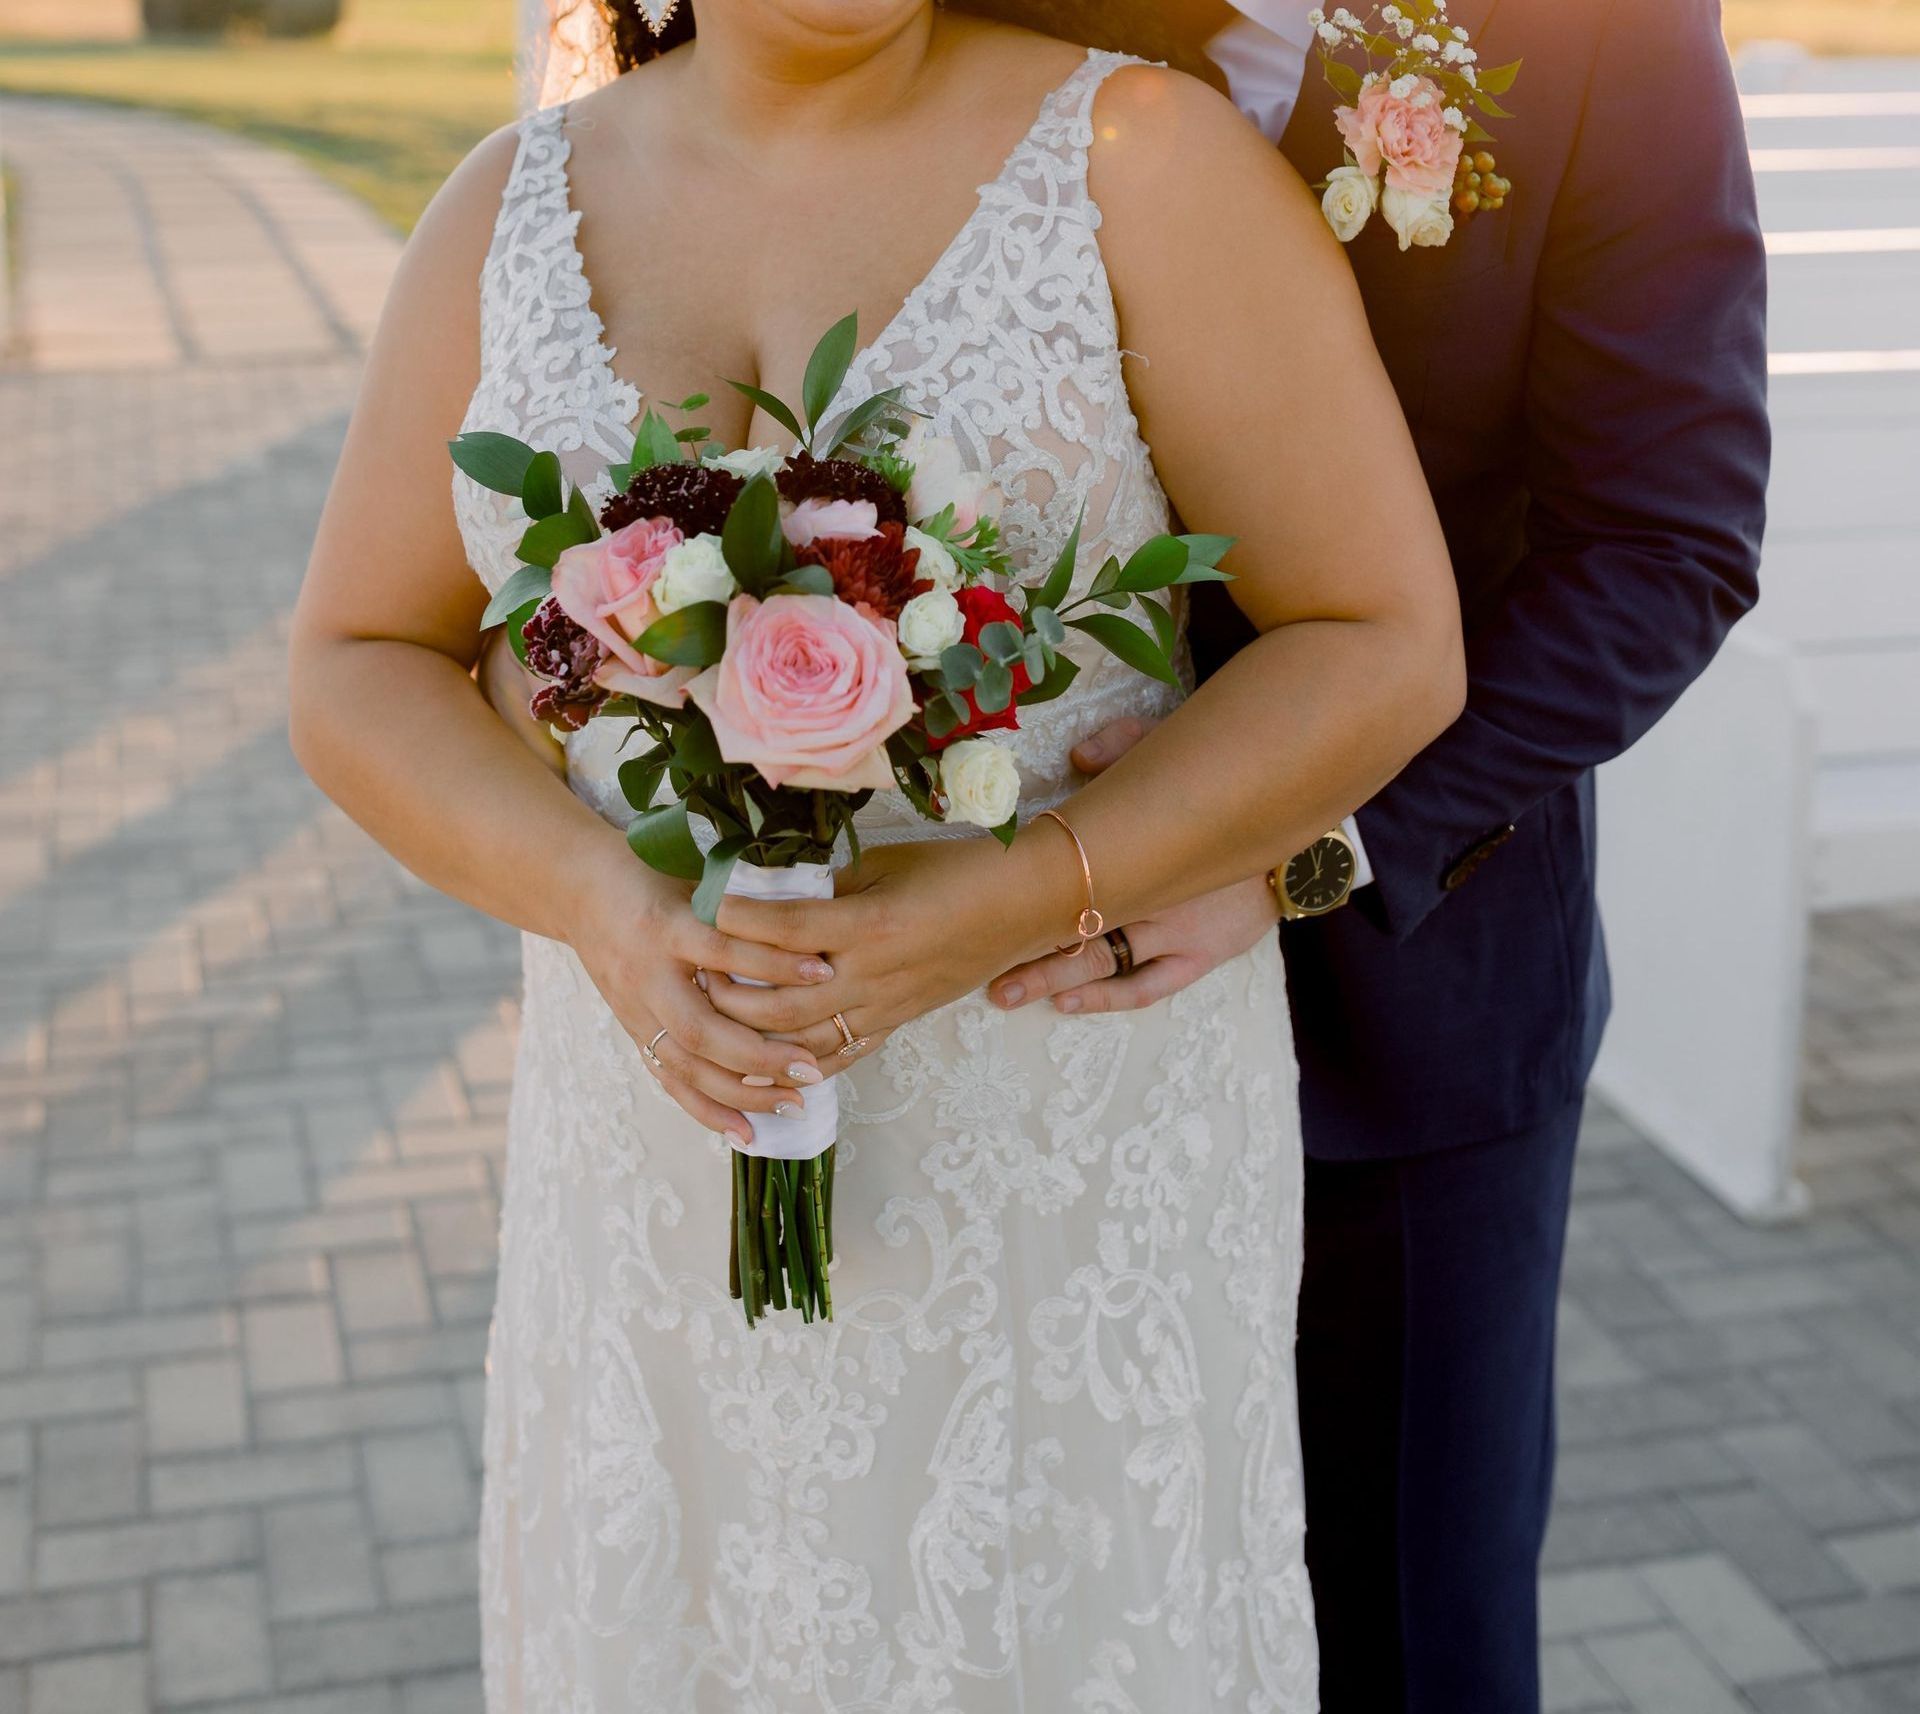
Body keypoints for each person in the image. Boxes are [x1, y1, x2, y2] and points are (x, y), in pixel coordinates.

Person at [287, 1, 1466, 1707]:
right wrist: (609, 918)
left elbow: (1380, 636)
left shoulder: (1143, 167)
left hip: (1061, 1171)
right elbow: (354, 663)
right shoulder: (500, 204)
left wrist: (1023, 884)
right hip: (650, 1173)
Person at [989, 1, 1772, 1709]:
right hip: (1017, 1023)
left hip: (1417, 1027)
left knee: (1412, 1641)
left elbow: (1667, 537)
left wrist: (1304, 840)